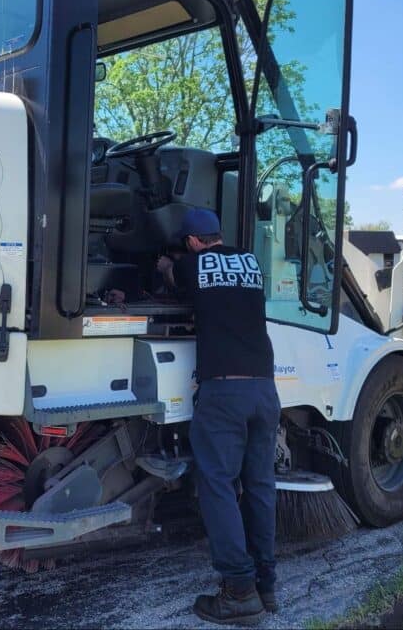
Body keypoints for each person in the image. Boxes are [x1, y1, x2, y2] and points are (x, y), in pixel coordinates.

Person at [157, 207, 279, 626]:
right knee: (260, 486)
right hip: (264, 389)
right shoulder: (249, 260)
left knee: (218, 487)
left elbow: (175, 283)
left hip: (223, 391)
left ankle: (239, 592)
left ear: (192, 243)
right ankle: (266, 585)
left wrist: (165, 264)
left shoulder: (191, 265)